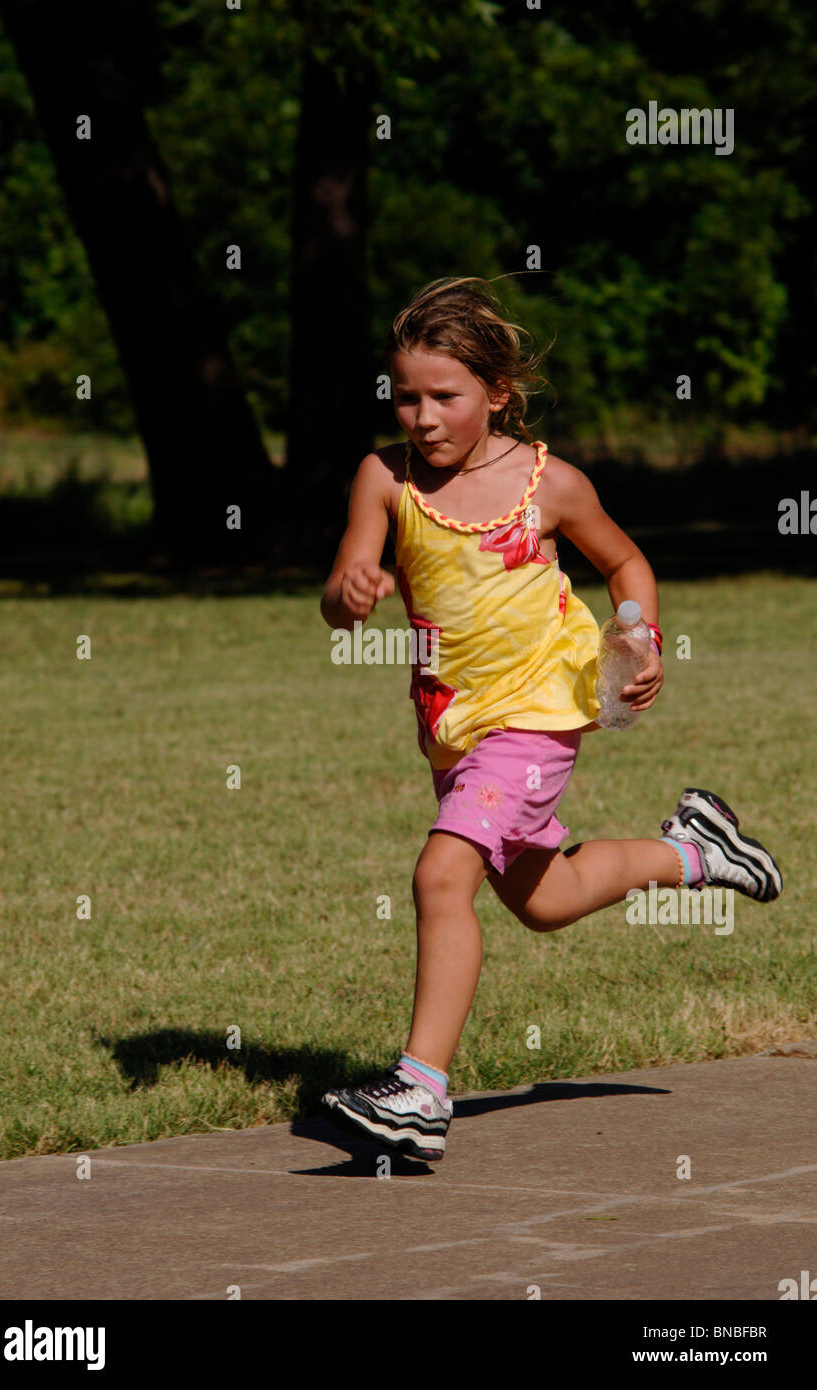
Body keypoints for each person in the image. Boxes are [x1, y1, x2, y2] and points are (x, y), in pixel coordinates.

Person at [319, 276, 782, 1162]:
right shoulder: (383, 478)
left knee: (439, 877)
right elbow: (341, 599)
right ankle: (697, 850)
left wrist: (639, 639)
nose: (421, 417)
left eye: (443, 397)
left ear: (497, 393)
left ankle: (418, 1093)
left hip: (536, 716)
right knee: (545, 899)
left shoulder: (550, 484)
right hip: (453, 724)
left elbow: (625, 562)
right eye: (404, 396)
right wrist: (349, 594)